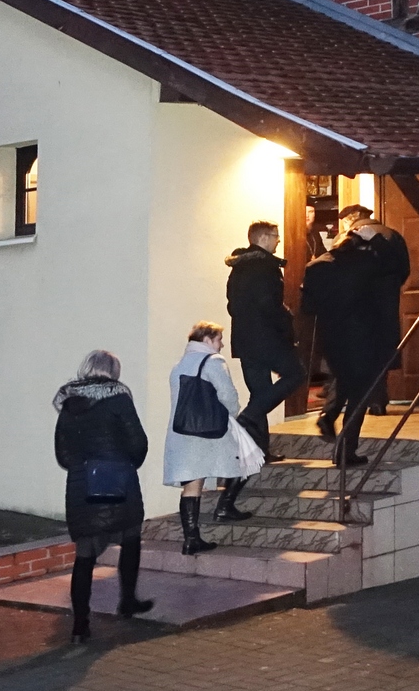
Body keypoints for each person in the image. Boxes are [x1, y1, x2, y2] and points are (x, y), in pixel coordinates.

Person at [52, 350, 156, 644]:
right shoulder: (120, 399)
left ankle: (80, 625)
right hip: (118, 481)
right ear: (113, 371)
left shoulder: (70, 405)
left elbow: (63, 453)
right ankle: (127, 602)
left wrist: (84, 468)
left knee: (84, 556)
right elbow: (138, 442)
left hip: (82, 486)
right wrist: (122, 463)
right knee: (131, 539)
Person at [299, 228, 383, 467]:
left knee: (343, 379)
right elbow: (393, 269)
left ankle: (329, 415)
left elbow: (308, 307)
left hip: (330, 335)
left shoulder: (315, 266)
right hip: (360, 335)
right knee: (360, 393)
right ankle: (346, 450)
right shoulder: (366, 262)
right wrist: (374, 240)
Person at [162, 321, 248, 550]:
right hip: (208, 432)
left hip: (182, 431)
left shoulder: (179, 364)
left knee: (191, 485)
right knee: (247, 456)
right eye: (219, 339)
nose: (222, 345)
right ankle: (225, 507)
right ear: (207, 339)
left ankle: (191, 539)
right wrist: (230, 415)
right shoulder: (213, 361)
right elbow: (228, 395)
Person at [226, 221, 304, 464]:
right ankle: (249, 417)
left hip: (244, 338)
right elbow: (269, 305)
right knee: (296, 374)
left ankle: (259, 451)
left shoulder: (238, 267)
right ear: (262, 239)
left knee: (259, 392)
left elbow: (232, 304)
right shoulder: (266, 267)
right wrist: (287, 327)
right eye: (275, 236)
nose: (278, 240)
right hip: (266, 337)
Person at [338, 205, 411, 414]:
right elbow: (403, 269)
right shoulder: (393, 236)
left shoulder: (347, 238)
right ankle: (378, 400)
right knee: (381, 351)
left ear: (351, 219)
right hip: (386, 303)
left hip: (357, 304)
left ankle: (356, 401)